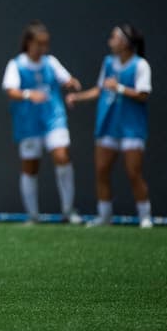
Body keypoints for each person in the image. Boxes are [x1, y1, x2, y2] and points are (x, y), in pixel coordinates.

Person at [65, 24, 153, 228]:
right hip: (108, 125)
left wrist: (119, 87)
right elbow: (100, 89)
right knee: (102, 170)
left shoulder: (140, 65)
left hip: (132, 127)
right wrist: (77, 97)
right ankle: (104, 216)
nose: (110, 41)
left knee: (133, 172)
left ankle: (145, 217)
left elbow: (143, 94)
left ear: (126, 42)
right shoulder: (108, 63)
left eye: (114, 37)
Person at [1, 21, 83, 225]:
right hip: (28, 123)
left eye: (46, 44)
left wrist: (72, 83)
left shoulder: (51, 62)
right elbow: (10, 90)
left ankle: (68, 211)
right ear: (28, 43)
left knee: (62, 156)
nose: (43, 49)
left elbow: (67, 79)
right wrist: (29, 94)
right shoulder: (16, 64)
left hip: (53, 119)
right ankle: (33, 215)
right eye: (39, 44)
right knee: (30, 166)